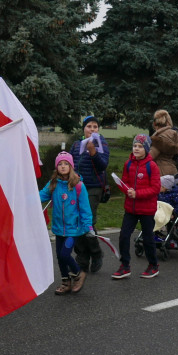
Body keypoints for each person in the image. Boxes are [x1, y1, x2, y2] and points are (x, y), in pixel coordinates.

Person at [40, 152, 92, 294]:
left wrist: (88, 226)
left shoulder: (79, 186)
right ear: (57, 168)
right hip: (58, 228)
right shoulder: (53, 184)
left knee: (64, 255)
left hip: (73, 229)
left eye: (66, 164)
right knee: (60, 257)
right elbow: (41, 196)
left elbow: (85, 208)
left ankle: (79, 273)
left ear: (71, 167)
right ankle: (66, 282)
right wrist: (25, 198)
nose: (63, 167)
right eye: (60, 164)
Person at [112, 134, 161, 279]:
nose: (136, 149)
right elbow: (124, 182)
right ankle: (125, 265)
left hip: (147, 209)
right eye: (134, 146)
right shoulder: (128, 164)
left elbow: (155, 188)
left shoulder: (152, 166)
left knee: (148, 238)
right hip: (131, 209)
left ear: (146, 149)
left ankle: (153, 265)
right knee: (124, 236)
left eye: (140, 146)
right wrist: (126, 190)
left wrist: (137, 193)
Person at [72, 115, 108, 273]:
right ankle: (82, 258)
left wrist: (93, 152)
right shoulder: (76, 144)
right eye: (89, 126)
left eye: (95, 127)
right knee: (76, 222)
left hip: (93, 188)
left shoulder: (102, 144)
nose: (92, 129)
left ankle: (96, 252)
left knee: (88, 223)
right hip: (76, 187)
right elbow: (70, 164)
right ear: (84, 129)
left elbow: (102, 166)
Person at [149, 109, 178, 176]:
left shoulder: (159, 138)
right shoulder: (173, 134)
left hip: (160, 171)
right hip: (172, 168)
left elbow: (150, 156)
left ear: (155, 123)